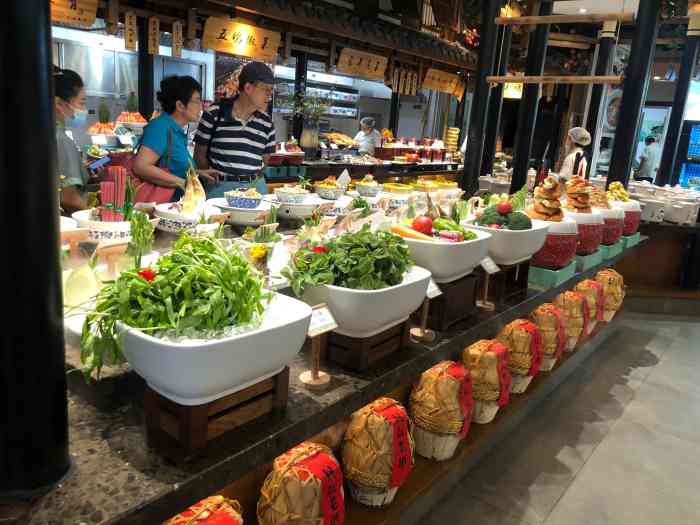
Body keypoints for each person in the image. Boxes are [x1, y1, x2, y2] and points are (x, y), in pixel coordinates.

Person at [193, 61, 276, 197]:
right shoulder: (214, 113)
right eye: (265, 89)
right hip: (220, 188)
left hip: (255, 189)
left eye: (271, 91)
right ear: (248, 88)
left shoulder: (267, 123)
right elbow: (199, 156)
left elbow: (265, 161)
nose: (269, 95)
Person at [133, 76, 220, 199]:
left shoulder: (176, 131)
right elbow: (141, 167)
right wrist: (184, 183)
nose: (201, 106)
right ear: (180, 105)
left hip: (174, 207)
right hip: (159, 207)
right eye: (196, 101)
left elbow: (171, 167)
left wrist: (197, 174)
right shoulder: (160, 127)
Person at [54, 67, 90, 214]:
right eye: (81, 103)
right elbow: (69, 198)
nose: (84, 109)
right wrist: (95, 216)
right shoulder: (61, 139)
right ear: (59, 103)